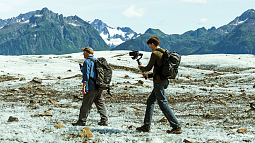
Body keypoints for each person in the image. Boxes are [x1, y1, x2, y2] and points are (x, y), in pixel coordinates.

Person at [136, 36, 182, 134]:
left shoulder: (155, 54)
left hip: (159, 83)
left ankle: (176, 126)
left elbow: (148, 67)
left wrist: (141, 67)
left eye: (149, 45)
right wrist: (149, 75)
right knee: (150, 101)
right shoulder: (164, 52)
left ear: (153, 44)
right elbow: (160, 71)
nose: (149, 47)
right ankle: (146, 125)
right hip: (164, 80)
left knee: (163, 103)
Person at [72, 47, 108, 126]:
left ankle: (81, 121)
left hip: (91, 86)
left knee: (86, 104)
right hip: (99, 86)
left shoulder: (87, 62)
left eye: (83, 52)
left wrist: (84, 86)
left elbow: (86, 75)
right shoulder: (96, 61)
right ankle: (104, 120)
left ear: (86, 52)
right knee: (100, 103)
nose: (83, 54)